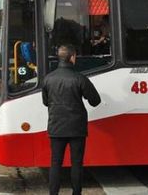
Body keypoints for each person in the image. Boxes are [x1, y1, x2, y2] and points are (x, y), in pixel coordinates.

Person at [42, 45, 102, 195]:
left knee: (55, 163)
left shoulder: (48, 79)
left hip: (56, 126)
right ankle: (76, 193)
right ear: (72, 57)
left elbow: (45, 101)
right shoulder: (79, 78)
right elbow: (95, 100)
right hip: (77, 128)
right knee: (76, 163)